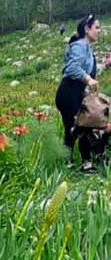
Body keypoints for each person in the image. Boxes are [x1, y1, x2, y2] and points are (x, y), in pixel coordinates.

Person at [55, 14, 101, 174]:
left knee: (72, 127)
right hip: (68, 92)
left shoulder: (88, 49)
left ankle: (67, 161)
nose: (99, 31)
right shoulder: (79, 46)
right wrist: (88, 79)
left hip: (76, 92)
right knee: (82, 125)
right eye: (96, 27)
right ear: (87, 29)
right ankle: (86, 164)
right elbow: (72, 68)